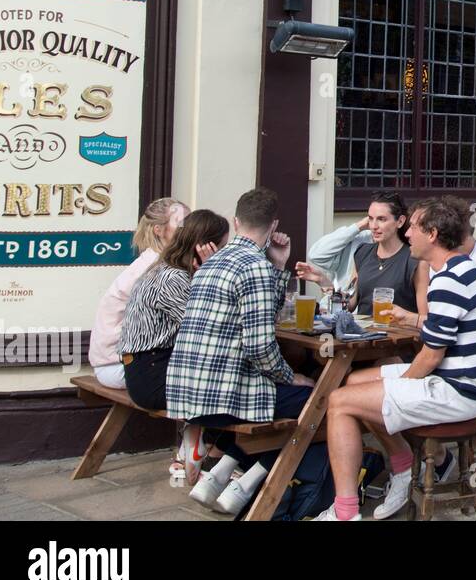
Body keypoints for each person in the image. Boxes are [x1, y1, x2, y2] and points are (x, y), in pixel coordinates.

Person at [314, 197, 476, 521]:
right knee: (355, 381)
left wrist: (398, 387)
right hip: (463, 382)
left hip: (458, 390)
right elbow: (447, 330)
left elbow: (430, 356)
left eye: (413, 226)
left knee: (339, 401)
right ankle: (402, 466)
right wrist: (413, 320)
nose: (408, 234)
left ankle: (344, 512)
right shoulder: (462, 269)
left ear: (431, 234)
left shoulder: (448, 280)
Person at [166, 189, 315, 514]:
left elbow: (261, 321)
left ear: (235, 221)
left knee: (288, 397)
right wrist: (293, 376)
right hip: (222, 396)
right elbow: (261, 346)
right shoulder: (254, 267)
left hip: (186, 395)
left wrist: (278, 265)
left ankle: (217, 477)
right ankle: (246, 485)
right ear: (274, 223)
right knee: (318, 403)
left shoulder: (212, 262)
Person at [118, 211, 229, 481]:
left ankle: (199, 444)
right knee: (238, 381)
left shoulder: (166, 269)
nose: (226, 254)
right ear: (206, 247)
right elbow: (208, 331)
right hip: (151, 377)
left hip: (150, 368)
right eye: (223, 247)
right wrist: (213, 272)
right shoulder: (174, 279)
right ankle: (213, 456)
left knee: (230, 374)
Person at [392, 196, 476, 354]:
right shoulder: (436, 261)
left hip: (471, 365)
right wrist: (409, 318)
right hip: (448, 354)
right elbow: (437, 321)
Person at [89, 198, 188, 388]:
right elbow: (189, 318)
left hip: (124, 362)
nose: (190, 229)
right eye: (181, 223)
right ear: (158, 230)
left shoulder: (158, 261)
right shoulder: (157, 269)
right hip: (119, 366)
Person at [296, 192, 416, 315]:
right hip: (363, 332)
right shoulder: (362, 252)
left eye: (381, 219)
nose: (373, 226)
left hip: (398, 333)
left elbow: (425, 317)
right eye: (370, 218)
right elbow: (349, 304)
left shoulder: (413, 258)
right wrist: (324, 282)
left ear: (400, 221)